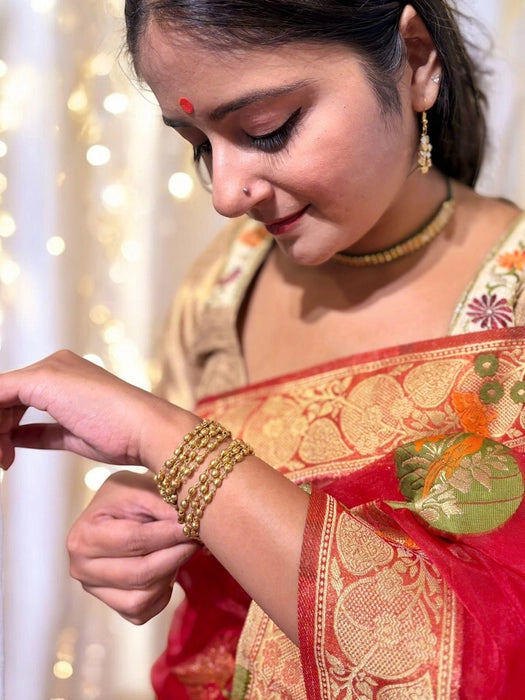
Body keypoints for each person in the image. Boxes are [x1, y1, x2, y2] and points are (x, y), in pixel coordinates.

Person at [2, 0, 525, 697]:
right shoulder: (219, 297)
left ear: (417, 61)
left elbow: (467, 662)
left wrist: (167, 439)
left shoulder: (511, 303)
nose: (224, 193)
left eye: (266, 129)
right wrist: (150, 522)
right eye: (197, 141)